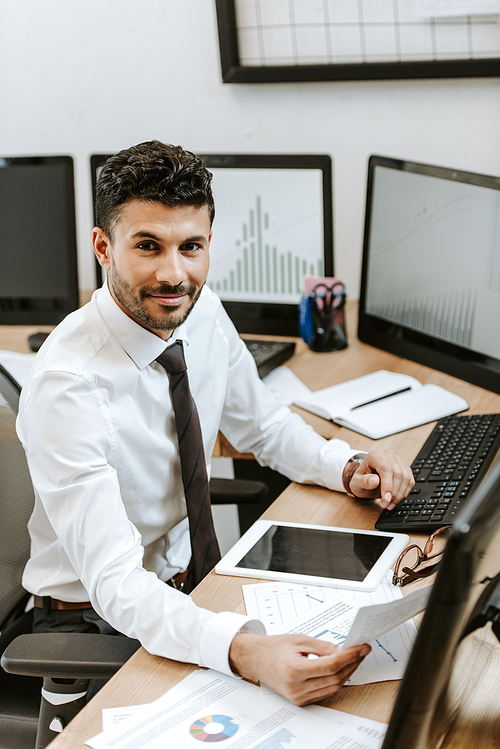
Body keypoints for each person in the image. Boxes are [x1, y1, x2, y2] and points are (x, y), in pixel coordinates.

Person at [18, 140, 414, 706]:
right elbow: (117, 585)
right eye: (148, 246)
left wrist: (346, 465)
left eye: (191, 247)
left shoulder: (200, 310)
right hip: (93, 621)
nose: (173, 274)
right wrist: (247, 651)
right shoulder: (68, 385)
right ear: (103, 248)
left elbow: (263, 428)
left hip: (190, 588)